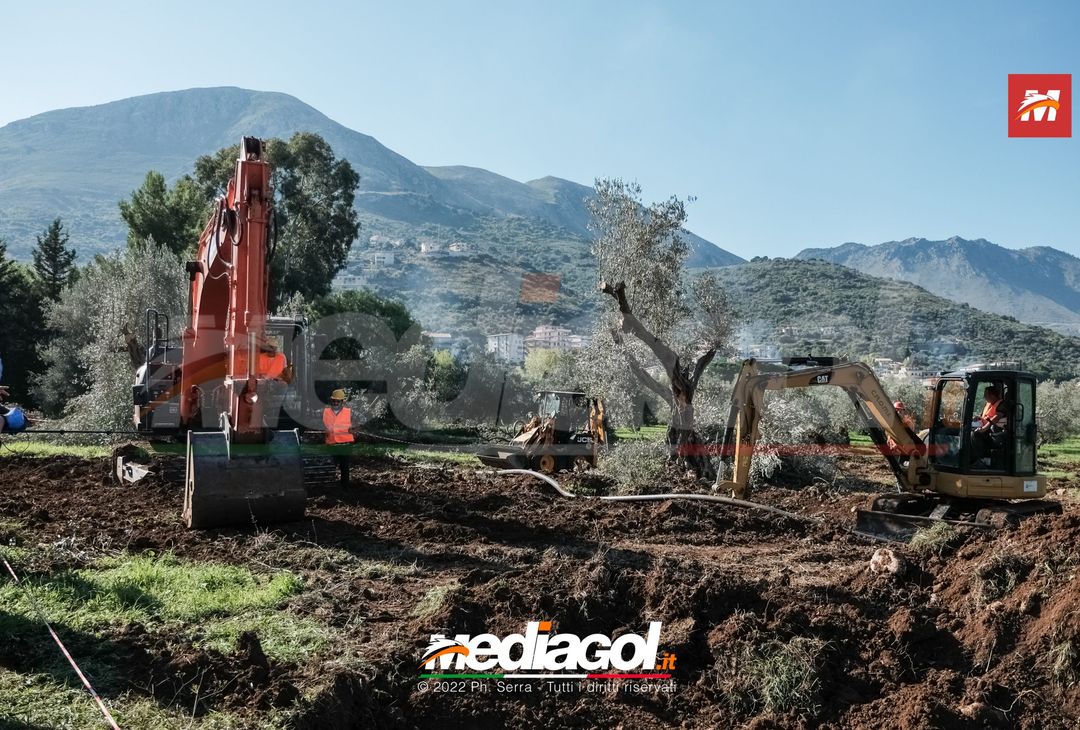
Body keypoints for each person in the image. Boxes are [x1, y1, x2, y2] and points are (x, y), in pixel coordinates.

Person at [322, 389, 355, 486]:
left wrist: (354, 429)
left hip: (345, 443)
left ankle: (345, 487)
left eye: (338, 401)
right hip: (332, 443)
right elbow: (324, 424)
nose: (335, 403)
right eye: (334, 401)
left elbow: (356, 425)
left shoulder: (349, 412)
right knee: (331, 465)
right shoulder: (326, 412)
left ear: (342, 402)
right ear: (331, 401)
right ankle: (330, 485)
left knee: (344, 467)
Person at [971, 386, 1006, 466]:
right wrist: (978, 418)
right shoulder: (989, 404)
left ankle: (984, 459)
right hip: (986, 430)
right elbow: (986, 417)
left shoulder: (1001, 405)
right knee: (967, 431)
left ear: (993, 396)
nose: (984, 397)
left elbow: (996, 417)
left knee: (976, 434)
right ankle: (973, 458)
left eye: (986, 395)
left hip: (996, 434)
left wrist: (984, 428)